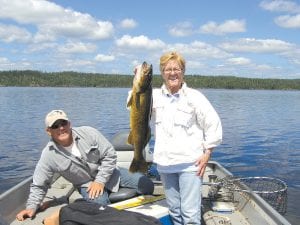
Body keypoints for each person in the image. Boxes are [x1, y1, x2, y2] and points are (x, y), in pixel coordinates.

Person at [16, 109, 154, 221]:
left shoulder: (88, 132)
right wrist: (31, 207)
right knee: (101, 207)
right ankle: (90, 209)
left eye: (63, 123)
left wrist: (100, 181)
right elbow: (39, 184)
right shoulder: (48, 155)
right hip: (86, 185)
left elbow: (110, 154)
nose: (61, 128)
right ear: (48, 131)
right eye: (55, 126)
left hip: (111, 173)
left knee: (147, 185)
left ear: (69, 123)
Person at [152, 52, 222, 225]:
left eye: (177, 68)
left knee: (190, 215)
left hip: (190, 165)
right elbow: (134, 104)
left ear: (183, 72)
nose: (172, 73)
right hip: (165, 164)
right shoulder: (152, 96)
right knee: (174, 211)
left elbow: (213, 124)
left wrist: (207, 153)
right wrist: (138, 77)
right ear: (162, 72)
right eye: (168, 69)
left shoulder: (195, 97)